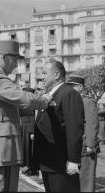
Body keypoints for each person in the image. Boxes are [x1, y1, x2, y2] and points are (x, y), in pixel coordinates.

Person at [0, 38, 52, 192]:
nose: (16, 64)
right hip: (1, 143)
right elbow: (23, 98)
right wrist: (44, 99)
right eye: (14, 59)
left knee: (8, 186)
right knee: (2, 187)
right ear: (4, 57)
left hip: (4, 142)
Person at [32, 59, 85, 192]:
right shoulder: (50, 94)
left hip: (61, 162)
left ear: (56, 75)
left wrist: (73, 159)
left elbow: (74, 128)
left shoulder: (69, 93)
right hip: (49, 161)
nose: (41, 76)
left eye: (44, 73)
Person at [67, 75, 100, 192]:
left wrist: (90, 144)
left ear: (80, 87)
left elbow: (92, 123)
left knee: (86, 181)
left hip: (86, 147)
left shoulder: (87, 101)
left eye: (72, 86)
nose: (70, 89)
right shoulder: (73, 101)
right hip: (76, 146)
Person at [20, 87, 38, 176]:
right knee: (25, 149)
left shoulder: (32, 103)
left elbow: (33, 117)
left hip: (29, 128)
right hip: (23, 127)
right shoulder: (25, 103)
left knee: (30, 149)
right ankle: (27, 166)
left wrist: (32, 131)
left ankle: (31, 168)